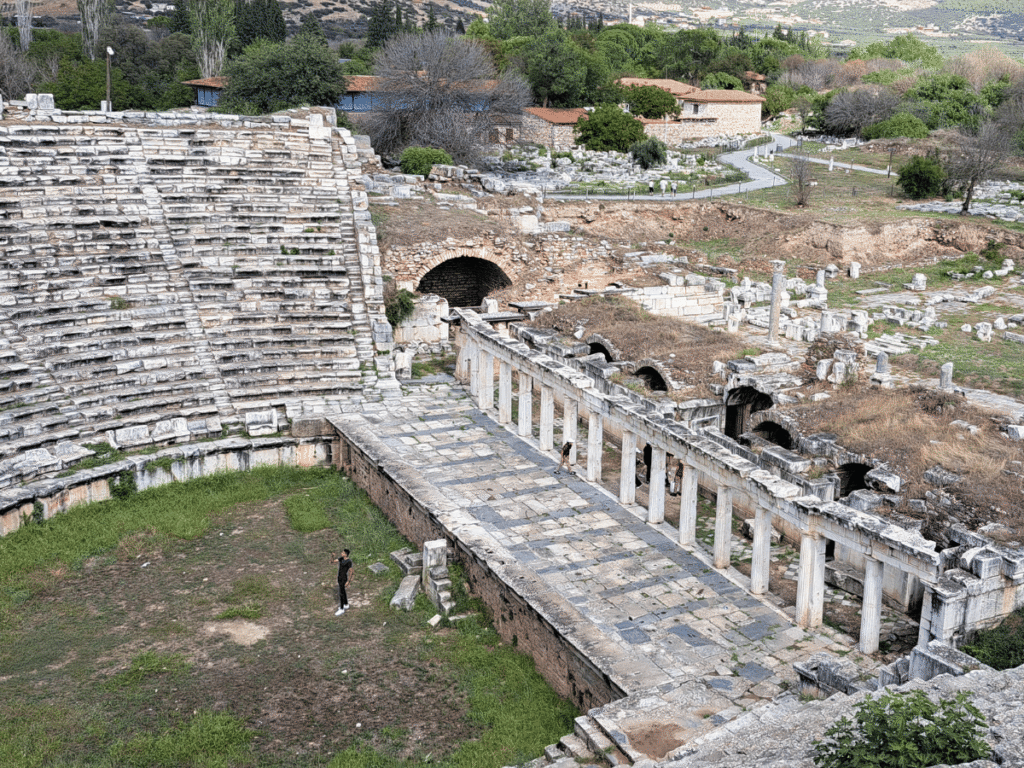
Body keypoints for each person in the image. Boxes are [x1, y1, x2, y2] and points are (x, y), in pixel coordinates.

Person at [331, 549, 352, 615]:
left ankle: (341, 608)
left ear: (346, 554)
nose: (341, 553)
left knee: (341, 593)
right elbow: (332, 562)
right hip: (339, 577)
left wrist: (348, 581)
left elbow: (351, 571)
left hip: (344, 578)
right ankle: (346, 604)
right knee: (343, 591)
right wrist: (332, 556)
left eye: (343, 553)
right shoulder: (341, 559)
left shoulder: (349, 561)